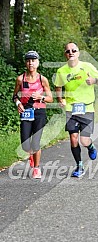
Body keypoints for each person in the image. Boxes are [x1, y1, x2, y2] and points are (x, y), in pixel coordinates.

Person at [54, 42, 98, 177]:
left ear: (78, 53)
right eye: (68, 51)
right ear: (65, 54)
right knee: (73, 138)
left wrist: (94, 80)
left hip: (87, 108)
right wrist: (60, 99)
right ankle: (79, 166)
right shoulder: (61, 71)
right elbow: (58, 87)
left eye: (73, 50)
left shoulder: (87, 66)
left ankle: (90, 146)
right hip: (71, 109)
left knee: (84, 140)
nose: (70, 53)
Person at [13, 50, 53, 179]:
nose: (31, 63)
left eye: (33, 60)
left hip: (39, 112)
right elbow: (14, 96)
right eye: (28, 60)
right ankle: (31, 155)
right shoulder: (20, 79)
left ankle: (36, 168)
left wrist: (41, 97)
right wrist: (18, 103)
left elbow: (50, 98)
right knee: (25, 145)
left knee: (35, 143)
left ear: (38, 62)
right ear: (26, 63)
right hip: (26, 113)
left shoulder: (43, 79)